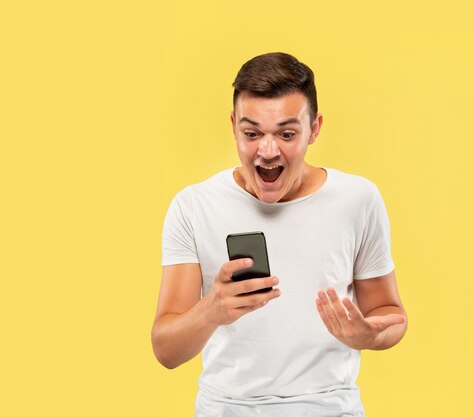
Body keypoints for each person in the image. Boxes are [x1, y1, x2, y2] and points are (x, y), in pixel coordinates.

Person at [151, 52, 408, 417]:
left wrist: (371, 335)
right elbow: (166, 351)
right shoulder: (193, 206)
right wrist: (212, 310)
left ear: (314, 128)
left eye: (287, 134)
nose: (267, 151)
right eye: (251, 133)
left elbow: (390, 313)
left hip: (330, 408)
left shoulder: (358, 200)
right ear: (233, 126)